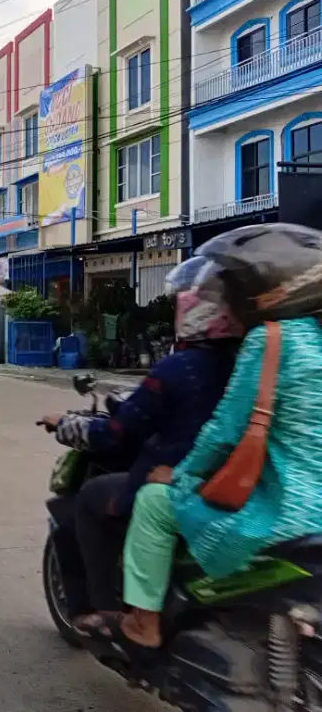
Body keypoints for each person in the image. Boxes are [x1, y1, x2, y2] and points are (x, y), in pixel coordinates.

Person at [79, 223, 322, 653]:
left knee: (153, 503)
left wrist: (179, 475)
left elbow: (225, 432)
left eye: (234, 290)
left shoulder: (271, 341)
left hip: (287, 506)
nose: (227, 303)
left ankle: (142, 623)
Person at [40, 256, 242, 630]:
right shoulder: (249, 364)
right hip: (243, 481)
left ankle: (106, 611)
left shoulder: (179, 368)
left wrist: (66, 425)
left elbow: (118, 432)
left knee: (87, 501)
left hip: (184, 478)